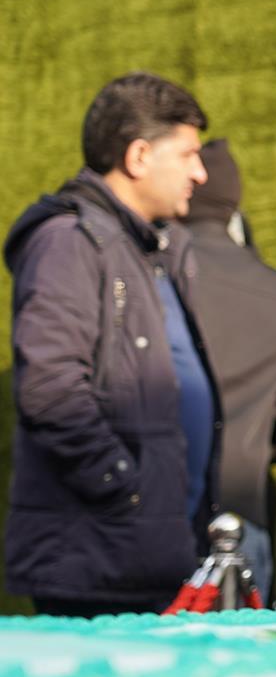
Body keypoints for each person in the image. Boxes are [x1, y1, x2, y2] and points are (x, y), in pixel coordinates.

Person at [4, 72, 220, 616]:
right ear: (139, 156)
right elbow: (51, 390)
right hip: (99, 561)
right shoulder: (68, 242)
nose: (200, 172)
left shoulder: (155, 249)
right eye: (188, 154)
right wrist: (126, 488)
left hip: (153, 552)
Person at [178, 139, 276, 603]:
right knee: (237, 648)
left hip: (138, 513)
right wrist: (247, 447)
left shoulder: (143, 276)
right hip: (243, 515)